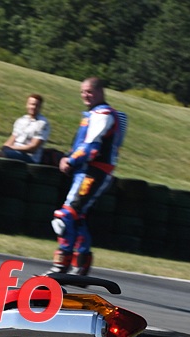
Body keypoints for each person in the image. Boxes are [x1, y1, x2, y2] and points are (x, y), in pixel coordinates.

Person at [48, 77, 127, 276]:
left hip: (93, 172)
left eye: (89, 91)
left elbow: (91, 146)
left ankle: (61, 264)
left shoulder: (102, 114)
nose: (85, 95)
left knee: (65, 216)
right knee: (77, 217)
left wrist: (70, 160)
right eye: (83, 92)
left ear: (100, 92)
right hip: (87, 171)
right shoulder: (93, 114)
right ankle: (80, 265)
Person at [0, 94, 50, 164]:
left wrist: (12, 148)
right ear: (27, 105)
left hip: (29, 157)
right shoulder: (21, 120)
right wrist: (4, 147)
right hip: (14, 151)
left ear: (40, 107)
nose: (33, 107)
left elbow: (33, 148)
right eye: (31, 104)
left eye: (36, 105)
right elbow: (12, 139)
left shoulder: (42, 123)